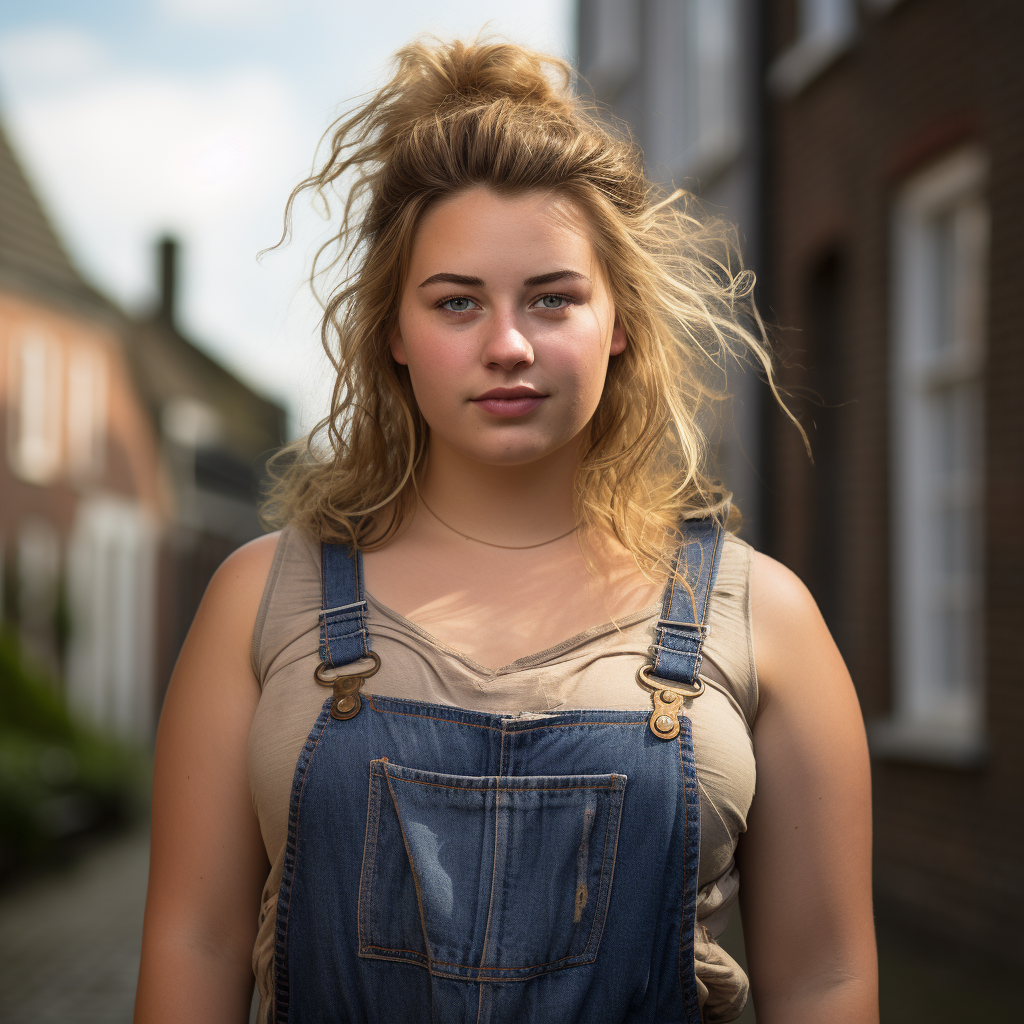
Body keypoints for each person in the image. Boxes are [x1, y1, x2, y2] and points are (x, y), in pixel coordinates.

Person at [133, 35, 877, 1024]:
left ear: (618, 321)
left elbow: (826, 979)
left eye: (553, 298)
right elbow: (197, 943)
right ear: (392, 331)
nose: (508, 344)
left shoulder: (763, 617)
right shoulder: (261, 600)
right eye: (456, 303)